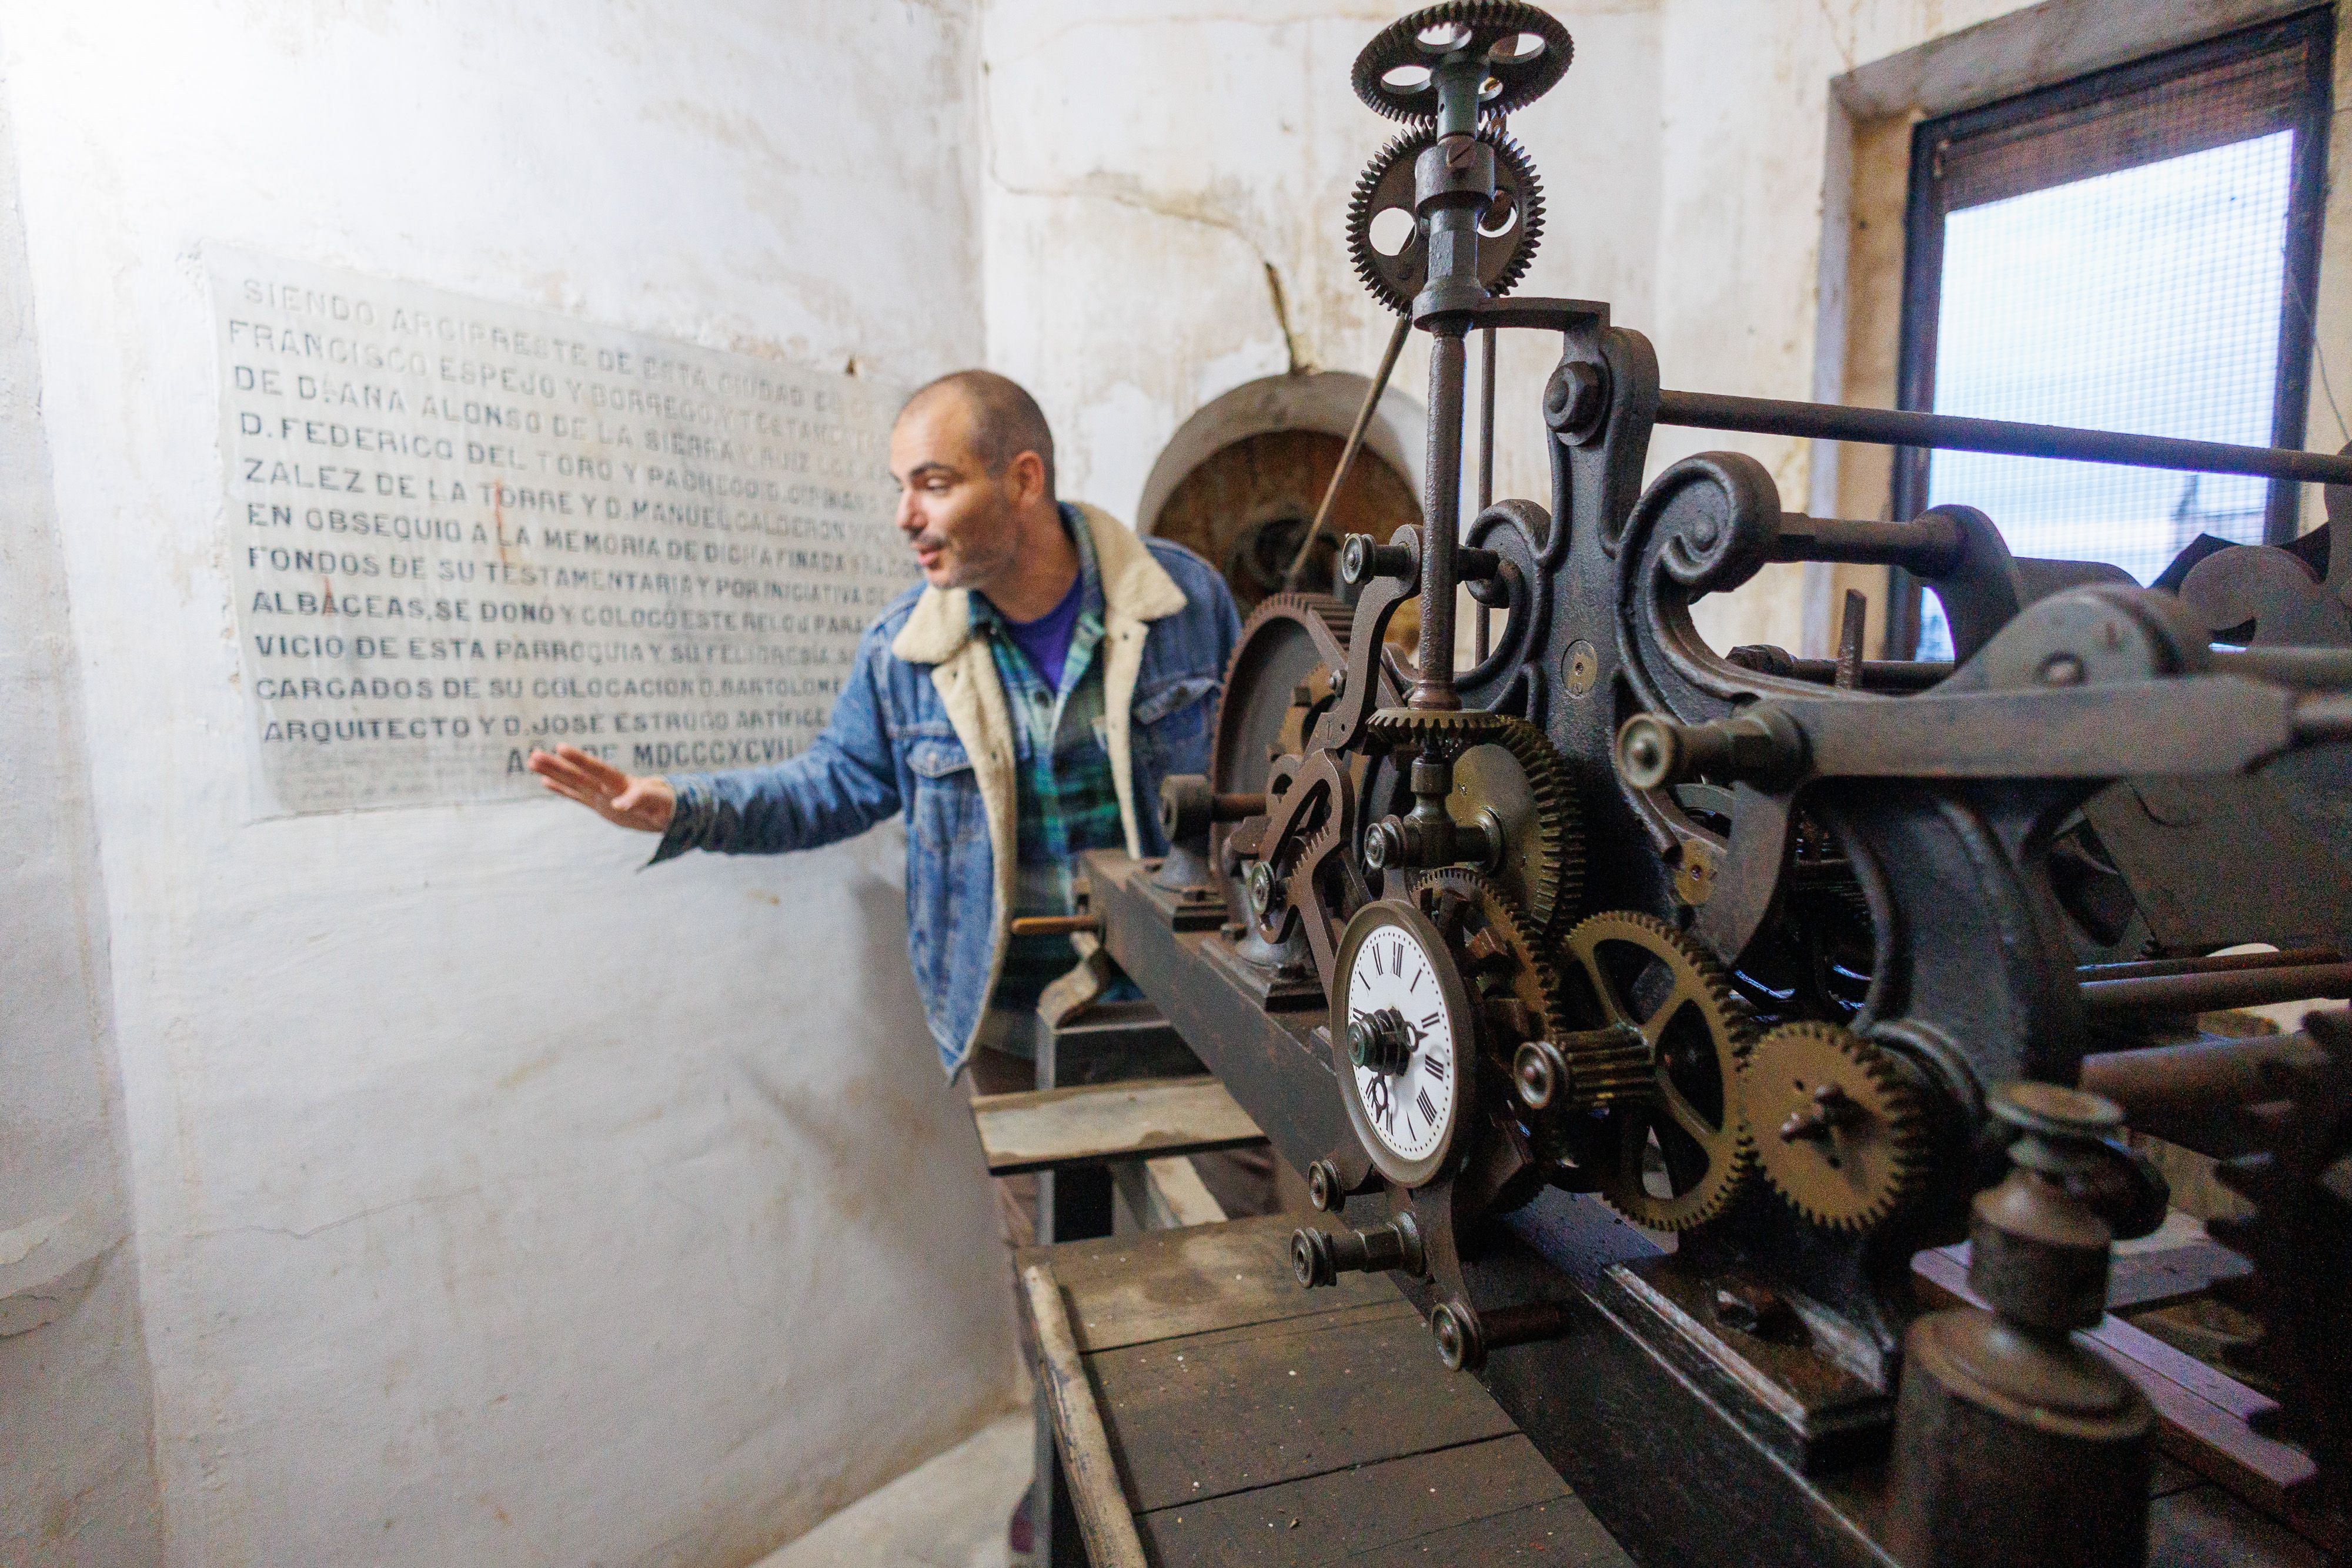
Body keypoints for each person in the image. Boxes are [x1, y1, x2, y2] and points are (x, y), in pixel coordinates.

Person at [526, 369, 1245, 1246]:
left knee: (1257, 1263)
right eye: (900, 487)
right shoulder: (902, 652)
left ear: (1023, 479)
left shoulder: (1185, 600)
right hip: (1016, 1035)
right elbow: (832, 783)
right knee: (1064, 1284)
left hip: (1200, 1013)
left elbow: (1260, 775)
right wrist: (683, 808)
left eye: (934, 484)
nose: (906, 515)